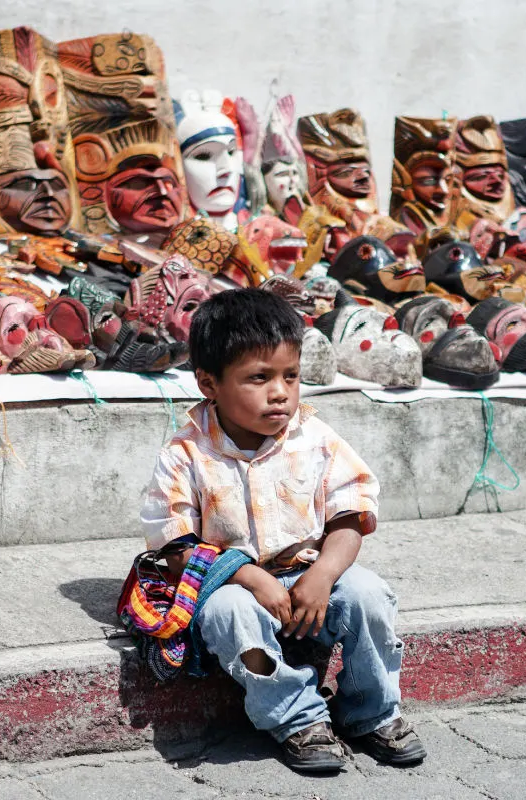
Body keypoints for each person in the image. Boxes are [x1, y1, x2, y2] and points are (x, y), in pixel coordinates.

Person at [140, 288, 426, 773]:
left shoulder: (316, 440)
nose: (281, 392)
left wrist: (323, 575)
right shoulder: (184, 455)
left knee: (369, 594)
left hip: (309, 575)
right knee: (229, 613)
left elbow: (350, 517)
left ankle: (371, 712)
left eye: (290, 376)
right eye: (259, 378)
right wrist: (252, 579)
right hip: (237, 586)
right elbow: (176, 548)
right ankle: (298, 719)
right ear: (209, 383)